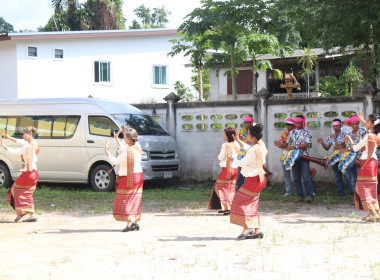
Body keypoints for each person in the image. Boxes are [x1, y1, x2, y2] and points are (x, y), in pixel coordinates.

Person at [230, 124, 268, 240]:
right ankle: (257, 230)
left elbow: (242, 162)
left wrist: (233, 159)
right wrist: (238, 141)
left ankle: (247, 228)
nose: (246, 136)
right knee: (251, 204)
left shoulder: (253, 150)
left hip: (253, 181)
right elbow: (248, 148)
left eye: (248, 134)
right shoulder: (260, 145)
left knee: (238, 202)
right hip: (260, 179)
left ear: (252, 137)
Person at [343, 111, 380, 222]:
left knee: (362, 188)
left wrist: (349, 139)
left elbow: (355, 148)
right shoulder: (377, 135)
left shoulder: (369, 136)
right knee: (370, 189)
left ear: (373, 124)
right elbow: (371, 128)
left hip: (367, 163)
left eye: (368, 121)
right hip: (373, 162)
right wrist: (363, 120)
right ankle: (374, 213)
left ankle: (374, 215)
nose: (366, 123)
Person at [104, 127, 144, 232]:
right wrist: (117, 139)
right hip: (138, 176)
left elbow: (116, 161)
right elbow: (123, 148)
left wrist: (106, 152)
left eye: (125, 137)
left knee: (125, 200)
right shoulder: (137, 146)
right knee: (134, 199)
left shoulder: (127, 151)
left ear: (129, 140)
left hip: (128, 177)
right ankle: (135, 222)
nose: (123, 139)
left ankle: (130, 223)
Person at [0, 127, 40, 222]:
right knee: (27, 193)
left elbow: (15, 152)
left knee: (15, 190)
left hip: (28, 174)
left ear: (29, 133)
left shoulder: (27, 146)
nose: (23, 136)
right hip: (34, 173)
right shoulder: (33, 143)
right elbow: (19, 141)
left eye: (24, 134)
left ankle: (23, 211)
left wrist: (3, 145)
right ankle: (31, 214)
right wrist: (8, 137)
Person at [317, 119, 354, 196]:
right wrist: (322, 143)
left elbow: (350, 146)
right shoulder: (331, 136)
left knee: (347, 176)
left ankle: (353, 193)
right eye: (334, 126)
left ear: (340, 126)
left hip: (344, 158)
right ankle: (341, 193)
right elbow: (327, 147)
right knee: (337, 177)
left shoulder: (346, 135)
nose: (335, 127)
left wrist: (342, 146)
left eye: (337, 125)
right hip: (334, 159)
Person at [283, 115, 315, 203]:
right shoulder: (292, 132)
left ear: (302, 123)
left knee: (306, 177)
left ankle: (310, 196)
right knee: (296, 178)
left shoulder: (308, 132)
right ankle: (300, 196)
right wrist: (282, 145)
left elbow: (307, 144)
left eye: (299, 123)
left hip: (304, 157)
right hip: (293, 158)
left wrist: (295, 147)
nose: (297, 124)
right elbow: (288, 143)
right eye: (296, 123)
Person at [209, 127, 240, 215]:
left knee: (218, 187)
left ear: (228, 135)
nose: (223, 136)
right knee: (230, 189)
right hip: (235, 169)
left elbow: (220, 157)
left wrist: (219, 154)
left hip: (226, 169)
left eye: (224, 134)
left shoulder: (225, 145)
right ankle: (227, 208)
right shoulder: (237, 144)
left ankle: (228, 207)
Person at [338, 115, 367, 188]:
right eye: (353, 124)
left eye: (356, 123)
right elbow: (349, 147)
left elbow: (365, 145)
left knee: (360, 179)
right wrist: (343, 147)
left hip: (360, 159)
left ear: (358, 123)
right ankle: (356, 197)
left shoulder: (363, 132)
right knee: (353, 180)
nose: (355, 125)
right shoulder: (349, 135)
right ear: (350, 125)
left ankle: (362, 197)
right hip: (351, 160)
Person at [275, 118, 296, 196]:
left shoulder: (296, 133)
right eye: (287, 124)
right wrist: (279, 145)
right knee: (286, 175)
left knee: (296, 175)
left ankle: (301, 191)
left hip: (294, 155)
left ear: (293, 125)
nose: (287, 126)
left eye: (289, 125)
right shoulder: (283, 134)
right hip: (284, 156)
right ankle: (289, 191)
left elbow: (283, 145)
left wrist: (281, 145)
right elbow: (281, 145)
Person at [236, 115, 254, 191]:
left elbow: (257, 142)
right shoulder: (241, 131)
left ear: (251, 123)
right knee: (240, 174)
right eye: (244, 123)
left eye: (247, 122)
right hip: (242, 155)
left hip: (251, 155)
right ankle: (240, 190)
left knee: (251, 174)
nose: (245, 124)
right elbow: (238, 141)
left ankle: (251, 190)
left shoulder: (254, 132)